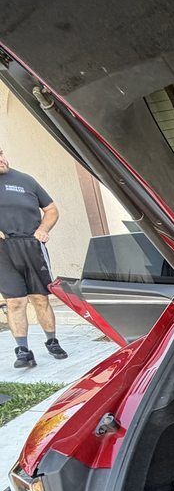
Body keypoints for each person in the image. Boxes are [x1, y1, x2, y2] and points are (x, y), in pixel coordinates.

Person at [0, 146, 68, 368]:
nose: (1, 159)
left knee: (40, 298)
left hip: (32, 245)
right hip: (3, 250)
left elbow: (51, 209)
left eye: (0, 153)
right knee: (15, 302)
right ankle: (23, 351)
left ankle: (52, 342)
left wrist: (43, 229)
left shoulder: (26, 180)